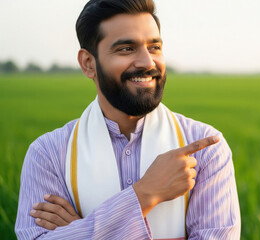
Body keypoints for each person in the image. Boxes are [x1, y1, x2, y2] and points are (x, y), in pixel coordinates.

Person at [14, 0, 241, 239]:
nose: (147, 62)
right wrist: (144, 194)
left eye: (154, 47)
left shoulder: (205, 151)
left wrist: (82, 230)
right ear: (88, 63)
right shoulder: (48, 156)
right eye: (126, 49)